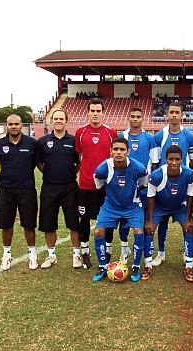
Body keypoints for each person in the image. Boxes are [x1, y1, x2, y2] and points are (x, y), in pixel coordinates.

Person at [0, 115, 38, 270]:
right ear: (7, 126)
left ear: (21, 125)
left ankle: (32, 254)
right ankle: (6, 254)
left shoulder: (32, 143)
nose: (13, 126)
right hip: (5, 190)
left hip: (27, 190)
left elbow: (37, 163)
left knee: (29, 225)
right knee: (6, 224)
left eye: (16, 124)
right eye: (10, 124)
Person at [91, 137, 147, 282]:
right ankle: (103, 266)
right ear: (110, 151)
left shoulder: (138, 168)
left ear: (128, 151)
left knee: (139, 231)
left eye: (122, 149)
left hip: (132, 206)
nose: (118, 152)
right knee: (98, 231)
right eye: (115, 149)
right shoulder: (103, 168)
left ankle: (135, 266)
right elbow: (99, 185)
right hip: (111, 206)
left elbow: (142, 184)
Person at [152, 102, 193, 266]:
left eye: (177, 112)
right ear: (167, 115)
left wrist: (182, 173)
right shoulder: (159, 136)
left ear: (182, 115)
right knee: (162, 220)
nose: (174, 115)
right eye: (171, 112)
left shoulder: (189, 136)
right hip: (163, 184)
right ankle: (161, 253)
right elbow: (155, 161)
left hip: (181, 185)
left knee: (186, 220)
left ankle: (188, 255)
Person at [36, 110, 82, 269]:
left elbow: (79, 163)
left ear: (66, 121)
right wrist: (49, 174)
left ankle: (77, 255)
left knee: (74, 223)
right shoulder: (42, 141)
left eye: (61, 118)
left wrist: (69, 174)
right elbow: (39, 163)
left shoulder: (74, 140)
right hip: (49, 187)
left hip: (70, 187)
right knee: (48, 223)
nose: (58, 121)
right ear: (52, 121)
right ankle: (51, 255)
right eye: (55, 118)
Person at [75, 98, 117, 268]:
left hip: (106, 186)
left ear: (103, 112)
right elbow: (79, 156)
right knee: (83, 219)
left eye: (98, 110)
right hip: (85, 184)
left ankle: (107, 250)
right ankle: (85, 252)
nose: (95, 113)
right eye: (92, 110)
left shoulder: (111, 132)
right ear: (88, 112)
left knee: (108, 218)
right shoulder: (80, 132)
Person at [145, 145, 193, 282]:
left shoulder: (189, 174)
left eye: (177, 159)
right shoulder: (156, 175)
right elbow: (151, 198)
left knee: (190, 227)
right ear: (165, 159)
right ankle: (148, 264)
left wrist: (188, 216)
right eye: (171, 159)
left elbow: (190, 196)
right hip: (160, 207)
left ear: (182, 159)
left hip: (179, 207)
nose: (174, 162)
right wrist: (150, 219)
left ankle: (189, 263)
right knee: (149, 229)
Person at [117, 107, 159, 264]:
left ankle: (144, 250)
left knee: (144, 219)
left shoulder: (149, 138)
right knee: (124, 219)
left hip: (144, 187)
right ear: (128, 118)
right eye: (132, 116)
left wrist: (150, 181)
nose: (135, 119)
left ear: (143, 119)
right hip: (125, 187)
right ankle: (124, 249)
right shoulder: (122, 136)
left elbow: (155, 162)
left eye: (138, 117)